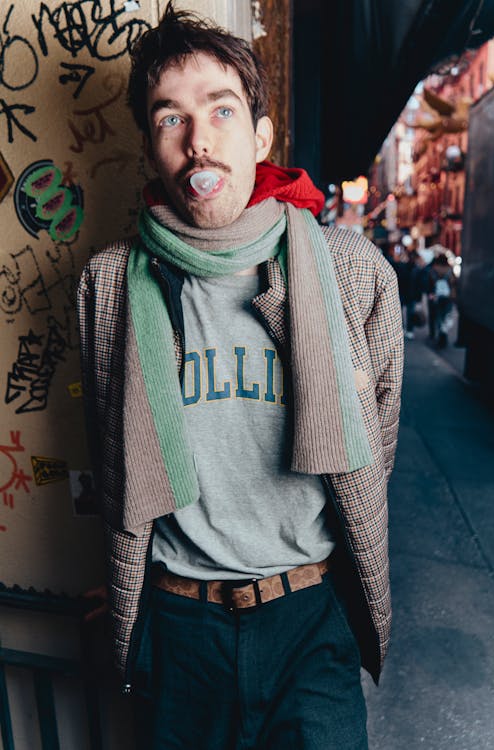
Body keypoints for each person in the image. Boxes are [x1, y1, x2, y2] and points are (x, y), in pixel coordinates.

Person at [77, 3, 404, 748]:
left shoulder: (351, 272)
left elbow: (374, 449)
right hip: (181, 626)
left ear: (261, 136)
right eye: (170, 118)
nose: (198, 140)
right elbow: (115, 461)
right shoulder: (110, 289)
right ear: (150, 149)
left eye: (222, 110)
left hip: (311, 621)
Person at [426, 252, 455, 347]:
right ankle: (444, 336)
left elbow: (429, 283)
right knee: (446, 316)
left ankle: (439, 337)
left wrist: (430, 294)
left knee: (438, 317)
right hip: (448, 297)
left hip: (436, 297)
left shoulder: (433, 269)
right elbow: (454, 283)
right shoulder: (450, 269)